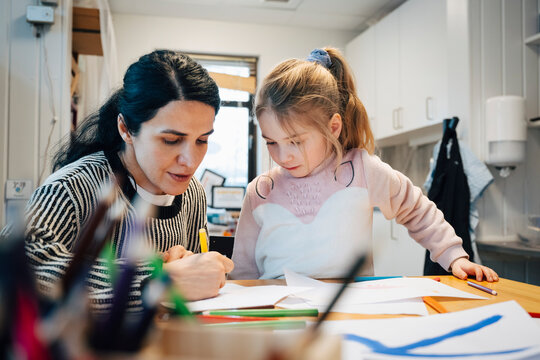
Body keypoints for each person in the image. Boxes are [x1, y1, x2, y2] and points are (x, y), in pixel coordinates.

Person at [230, 47, 498, 283]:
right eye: (271, 142)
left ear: (332, 127)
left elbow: (417, 208)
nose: (283, 155)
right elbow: (243, 270)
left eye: (295, 142)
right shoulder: (260, 192)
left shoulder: (363, 170)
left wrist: (453, 256)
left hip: (352, 312)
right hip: (281, 317)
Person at [1, 50, 233, 309]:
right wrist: (154, 280)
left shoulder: (192, 193)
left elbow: (189, 292)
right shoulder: (72, 188)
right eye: (171, 140)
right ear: (125, 129)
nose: (190, 161)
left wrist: (199, 272)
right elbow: (12, 266)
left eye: (202, 140)